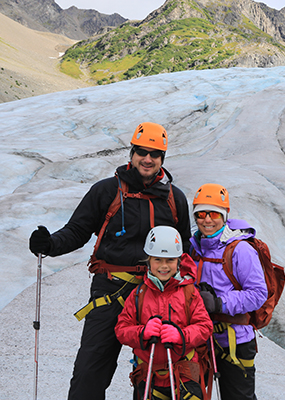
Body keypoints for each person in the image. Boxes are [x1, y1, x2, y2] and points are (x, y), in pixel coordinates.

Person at [28, 122, 191, 400]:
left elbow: (185, 247)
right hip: (111, 291)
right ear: (132, 153)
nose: (147, 159)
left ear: (163, 158)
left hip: (158, 293)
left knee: (161, 375)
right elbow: (77, 230)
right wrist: (51, 244)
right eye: (142, 151)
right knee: (89, 374)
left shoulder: (175, 199)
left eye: (154, 153)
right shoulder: (106, 191)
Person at [189, 183, 268, 400]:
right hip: (200, 339)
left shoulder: (240, 249)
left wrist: (218, 303)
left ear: (225, 215)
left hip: (235, 341)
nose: (207, 219)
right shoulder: (194, 247)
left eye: (214, 213)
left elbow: (258, 294)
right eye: (201, 213)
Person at [115, 226, 213, 399]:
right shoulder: (139, 294)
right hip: (149, 375)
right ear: (148, 261)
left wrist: (181, 335)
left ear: (178, 262)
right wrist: (143, 332)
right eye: (158, 260)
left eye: (170, 260)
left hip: (184, 374)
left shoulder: (189, 292)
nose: (164, 266)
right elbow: (122, 329)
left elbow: (205, 326)